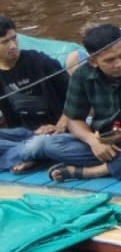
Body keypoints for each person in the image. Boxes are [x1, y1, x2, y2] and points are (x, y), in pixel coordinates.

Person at [23, 24, 121, 182]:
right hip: (102, 141)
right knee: (51, 145)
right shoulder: (81, 75)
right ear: (93, 61)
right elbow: (74, 119)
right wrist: (93, 141)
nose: (119, 63)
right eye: (110, 60)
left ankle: (93, 171)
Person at [0, 16, 69, 172]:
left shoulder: (41, 62)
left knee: (38, 144)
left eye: (14, 39)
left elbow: (77, 97)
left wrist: (61, 123)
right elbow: (10, 119)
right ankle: (28, 155)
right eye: (5, 42)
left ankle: (28, 156)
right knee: (28, 144)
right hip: (25, 133)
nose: (12, 45)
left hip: (55, 132)